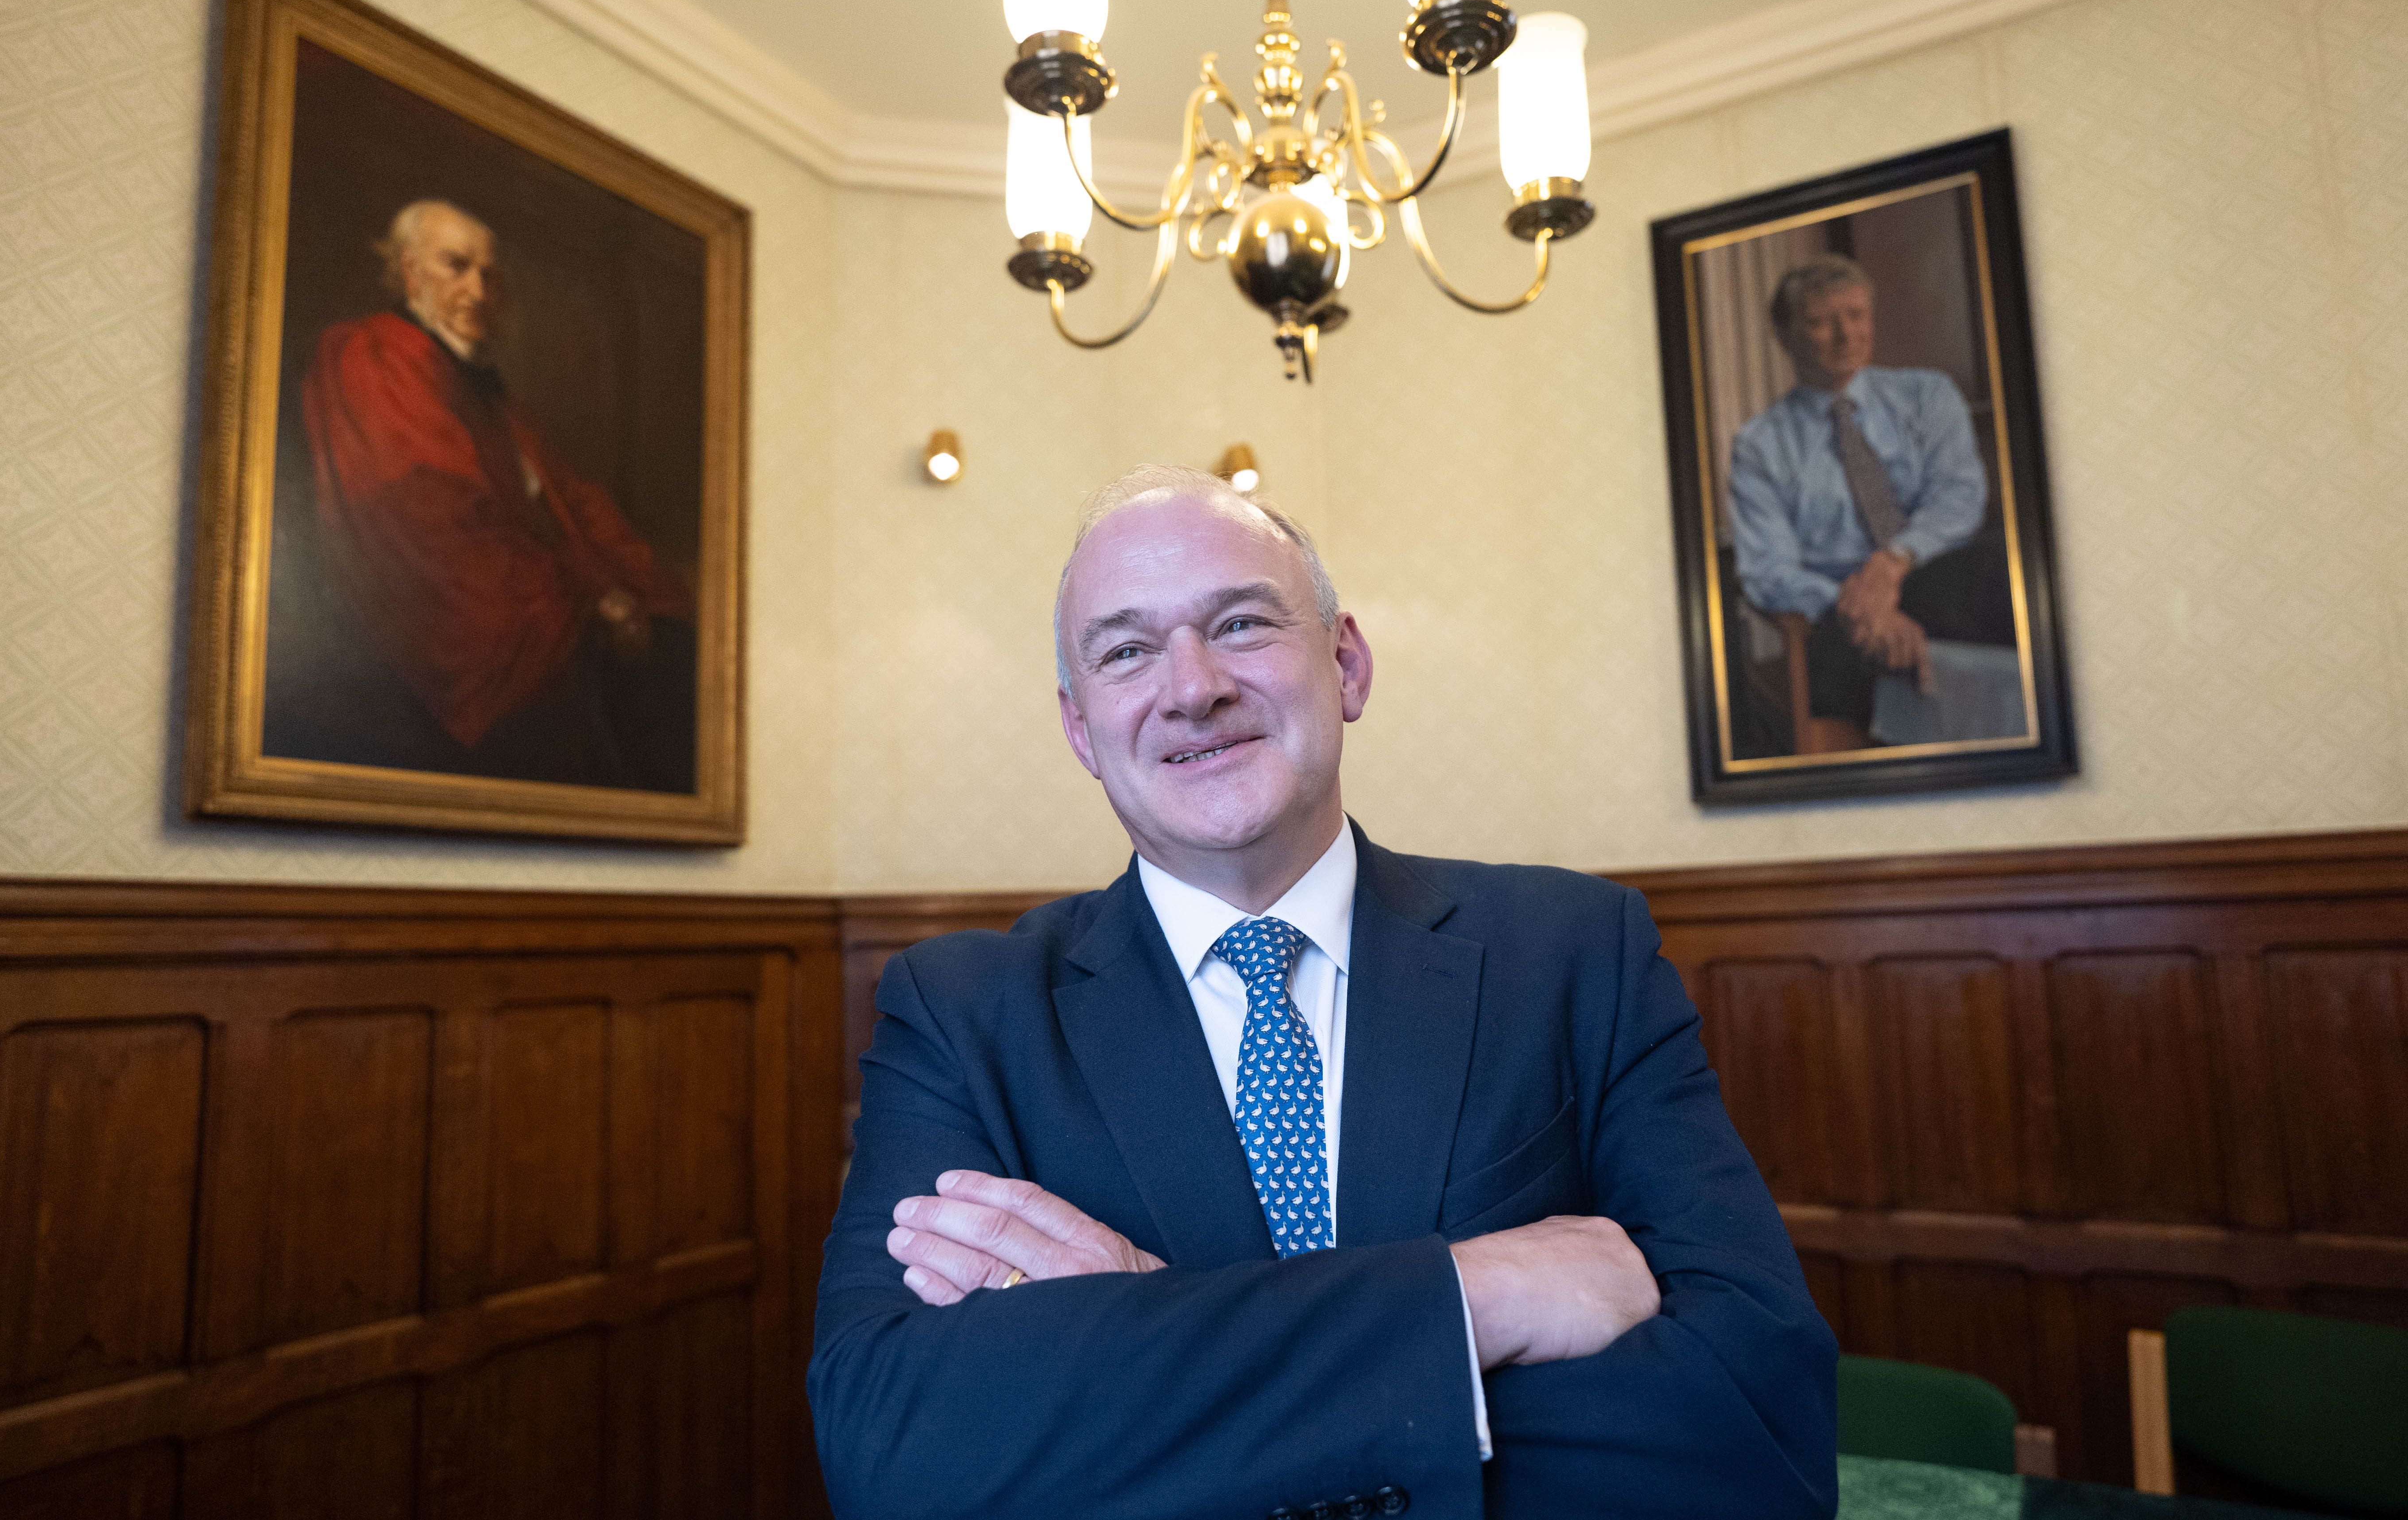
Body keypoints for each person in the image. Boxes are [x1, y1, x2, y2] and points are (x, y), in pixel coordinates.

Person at [808, 465, 1836, 1518]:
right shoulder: (961, 1012)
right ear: (1082, 731)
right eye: (1126, 651)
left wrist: (1143, 1338)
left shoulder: (1578, 953)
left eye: (1243, 624)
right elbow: (891, 1451)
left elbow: (1757, 1420)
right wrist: (1468, 1304)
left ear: (1345, 664)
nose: (1192, 685)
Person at [296, 199, 692, 788]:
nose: (479, 292)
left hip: (554, 592)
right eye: (456, 267)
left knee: (684, 658)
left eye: (489, 274)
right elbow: (436, 526)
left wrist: (641, 588)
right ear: (409, 273)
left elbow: (566, 497)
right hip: (482, 631)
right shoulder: (372, 357)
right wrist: (593, 600)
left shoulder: (482, 386)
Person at [1726, 254, 2014, 745]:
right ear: (1786, 336)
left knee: (2015, 566)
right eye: (1820, 322)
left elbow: (1960, 496)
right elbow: (1768, 568)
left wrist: (1893, 562)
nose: (1846, 335)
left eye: (1857, 315)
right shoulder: (1759, 444)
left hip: (1937, 568)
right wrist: (1863, 608)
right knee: (1833, 657)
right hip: (1839, 607)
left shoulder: (1928, 394)